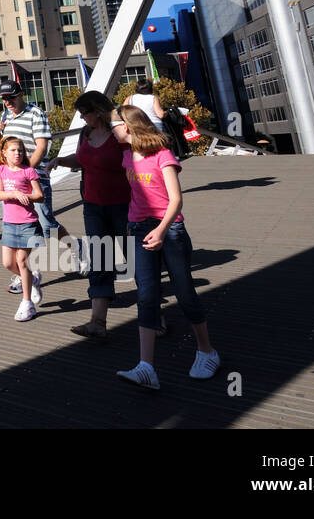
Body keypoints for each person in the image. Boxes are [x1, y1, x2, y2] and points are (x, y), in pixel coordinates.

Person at [114, 104, 220, 389]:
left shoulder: (162, 155)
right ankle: (146, 366)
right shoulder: (126, 157)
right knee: (147, 296)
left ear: (128, 126)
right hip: (138, 229)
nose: (112, 129)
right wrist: (130, 224)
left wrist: (161, 230)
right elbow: (136, 196)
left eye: (115, 124)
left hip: (169, 228)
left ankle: (207, 351)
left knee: (184, 293)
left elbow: (176, 200)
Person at [0, 79, 86, 290]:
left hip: (34, 177)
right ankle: (24, 272)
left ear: (21, 94)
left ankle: (76, 247)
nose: (7, 102)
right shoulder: (5, 116)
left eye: (11, 98)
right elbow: (4, 149)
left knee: (46, 225)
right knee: (17, 227)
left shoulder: (36, 114)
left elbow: (41, 148)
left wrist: (26, 174)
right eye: (4, 99)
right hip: (11, 182)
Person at [53, 91, 130, 339]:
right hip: (93, 205)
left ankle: (155, 316)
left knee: (135, 258)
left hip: (123, 205)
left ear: (97, 110)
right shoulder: (85, 134)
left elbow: (136, 161)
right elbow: (83, 160)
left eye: (84, 113)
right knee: (99, 260)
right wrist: (60, 160)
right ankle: (98, 321)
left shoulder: (120, 134)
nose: (81, 118)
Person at [0, 135, 44, 321]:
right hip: (9, 223)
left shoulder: (28, 171)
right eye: (13, 150)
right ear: (4, 153)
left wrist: (26, 195)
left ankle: (27, 303)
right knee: (8, 263)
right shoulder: (0, 171)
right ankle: (32, 280)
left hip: (27, 223)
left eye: (21, 150)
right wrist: (14, 193)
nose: (18, 154)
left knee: (22, 261)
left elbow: (40, 195)